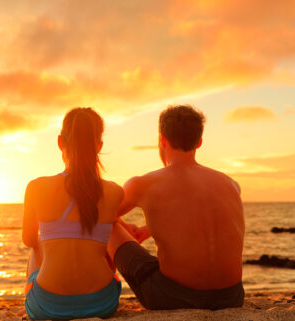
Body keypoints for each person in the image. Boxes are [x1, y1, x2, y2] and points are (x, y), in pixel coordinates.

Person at [108, 105, 245, 310]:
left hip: (172, 297)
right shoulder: (231, 184)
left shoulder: (144, 184)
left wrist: (123, 225)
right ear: (199, 142)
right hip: (232, 297)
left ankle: (93, 291)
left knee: (105, 226)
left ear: (163, 140)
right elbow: (200, 223)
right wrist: (147, 230)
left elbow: (99, 216)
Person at [22, 107, 123, 320]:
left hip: (48, 306)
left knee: (37, 245)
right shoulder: (115, 192)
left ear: (60, 142)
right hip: (103, 302)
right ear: (99, 146)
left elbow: (28, 240)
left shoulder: (36, 187)